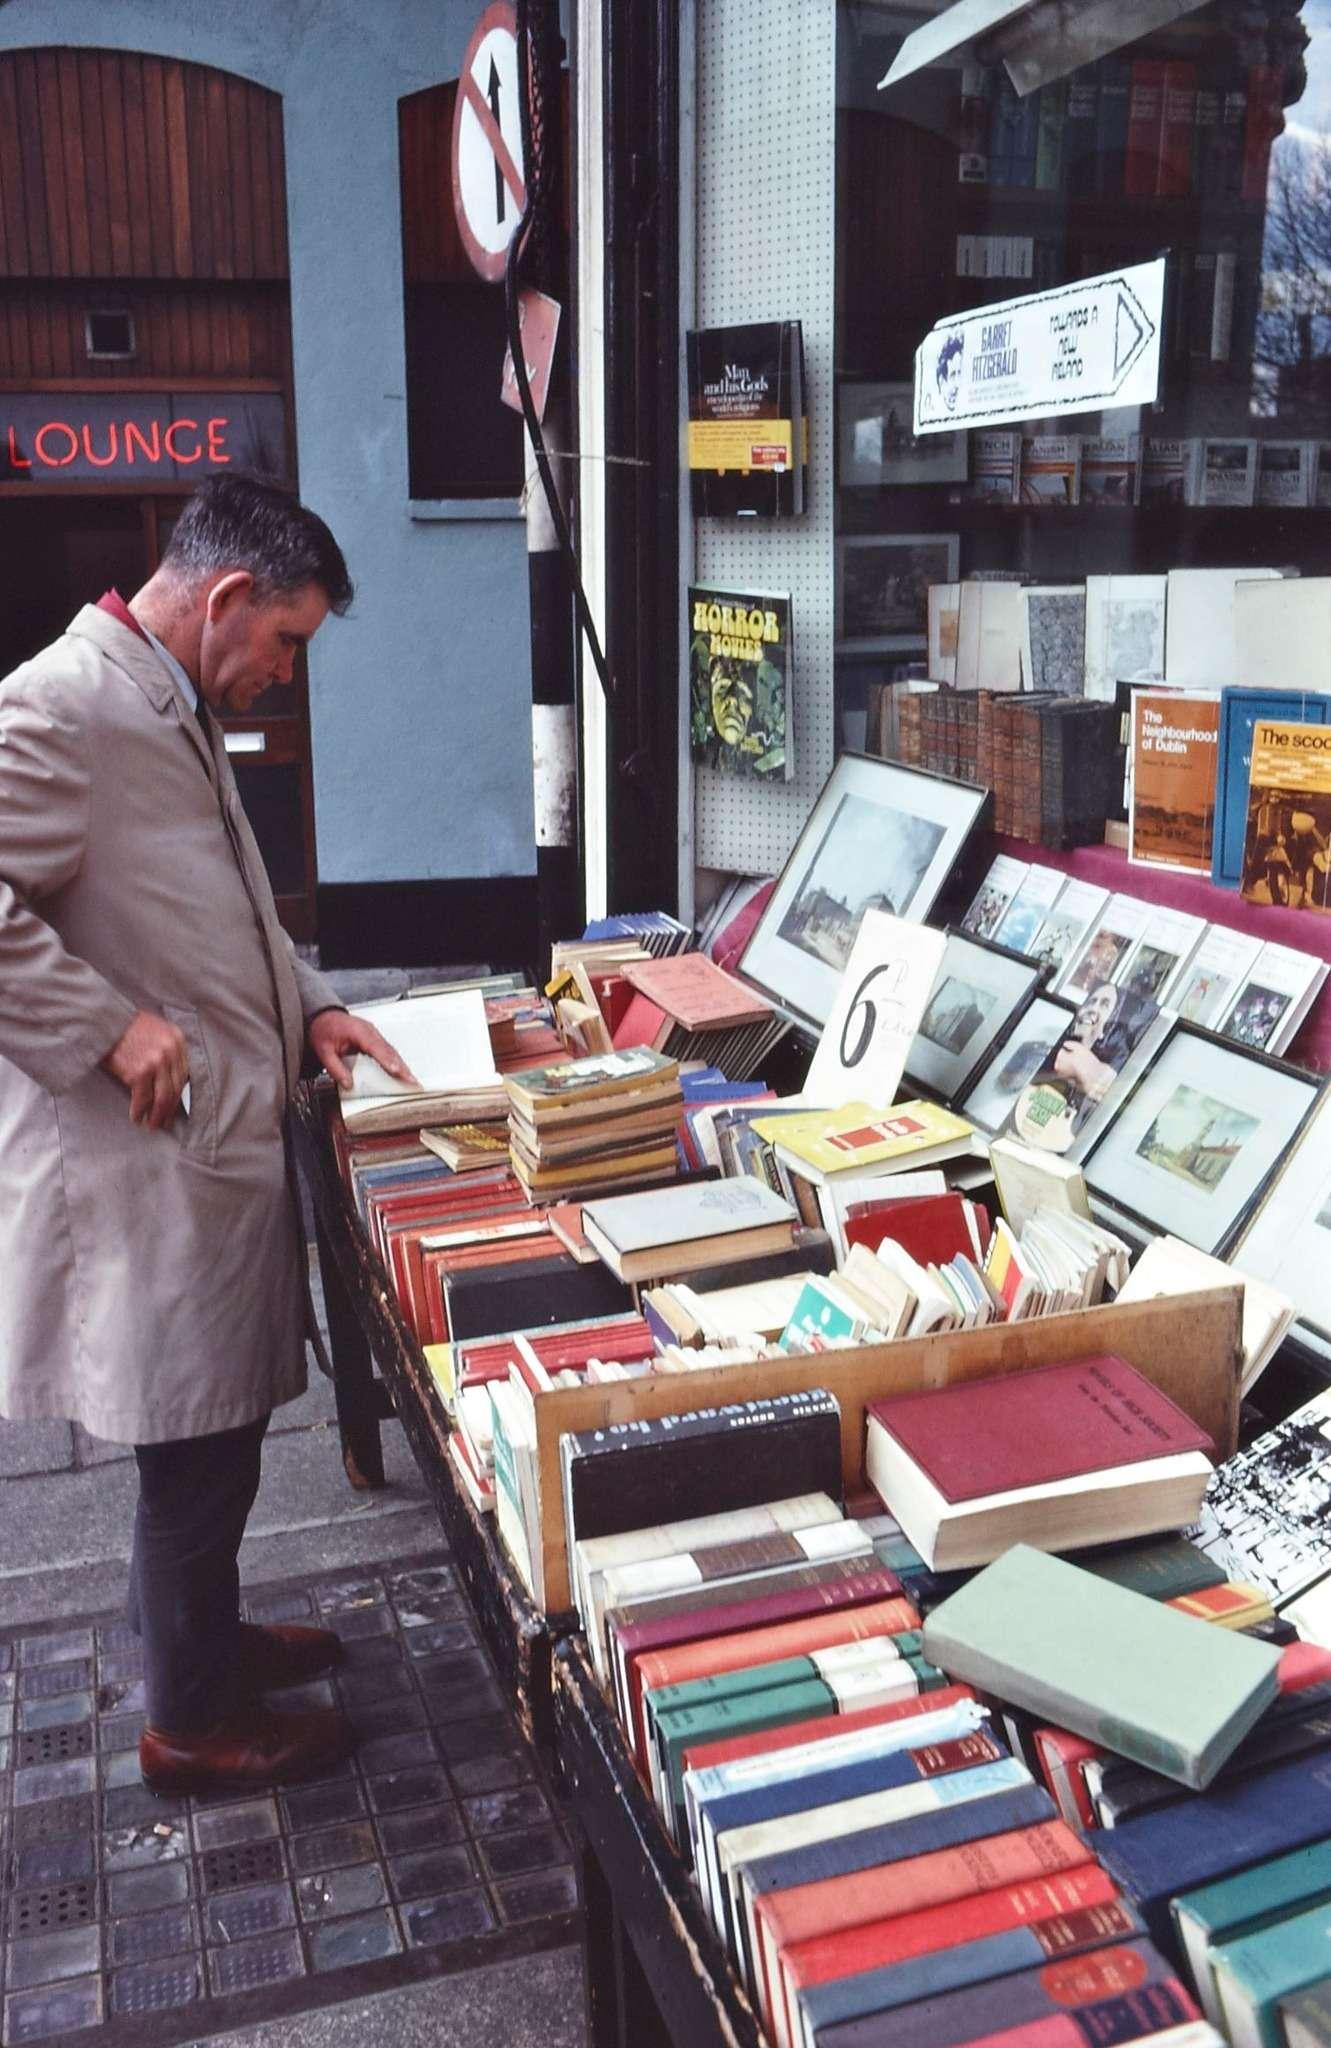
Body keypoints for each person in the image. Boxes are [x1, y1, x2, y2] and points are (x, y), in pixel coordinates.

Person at [0, 473, 414, 1797]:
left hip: (202, 1148)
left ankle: (204, 1640)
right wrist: (104, 1025)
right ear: (228, 597)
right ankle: (189, 1723)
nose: (284, 671)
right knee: (192, 1445)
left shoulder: (166, 698)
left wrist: (315, 1007)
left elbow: (236, 908)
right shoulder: (64, 705)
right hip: (142, 1165)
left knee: (214, 1436)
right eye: (285, 640)